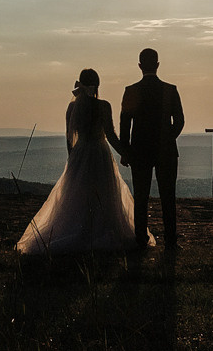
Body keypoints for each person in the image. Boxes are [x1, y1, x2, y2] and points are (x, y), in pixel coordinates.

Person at [16, 68, 136, 255]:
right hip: (99, 153)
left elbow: (68, 136)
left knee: (77, 193)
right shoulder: (104, 106)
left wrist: (72, 158)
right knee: (103, 192)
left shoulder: (73, 107)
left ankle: (79, 228)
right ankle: (102, 229)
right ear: (97, 84)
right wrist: (125, 153)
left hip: (81, 152)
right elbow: (111, 135)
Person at [118, 47, 185, 253]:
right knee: (168, 197)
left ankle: (140, 240)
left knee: (141, 197)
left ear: (139, 66)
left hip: (139, 150)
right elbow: (180, 121)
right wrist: (167, 139)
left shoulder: (131, 91)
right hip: (166, 151)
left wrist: (126, 150)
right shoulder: (170, 90)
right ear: (157, 65)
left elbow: (124, 125)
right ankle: (171, 242)